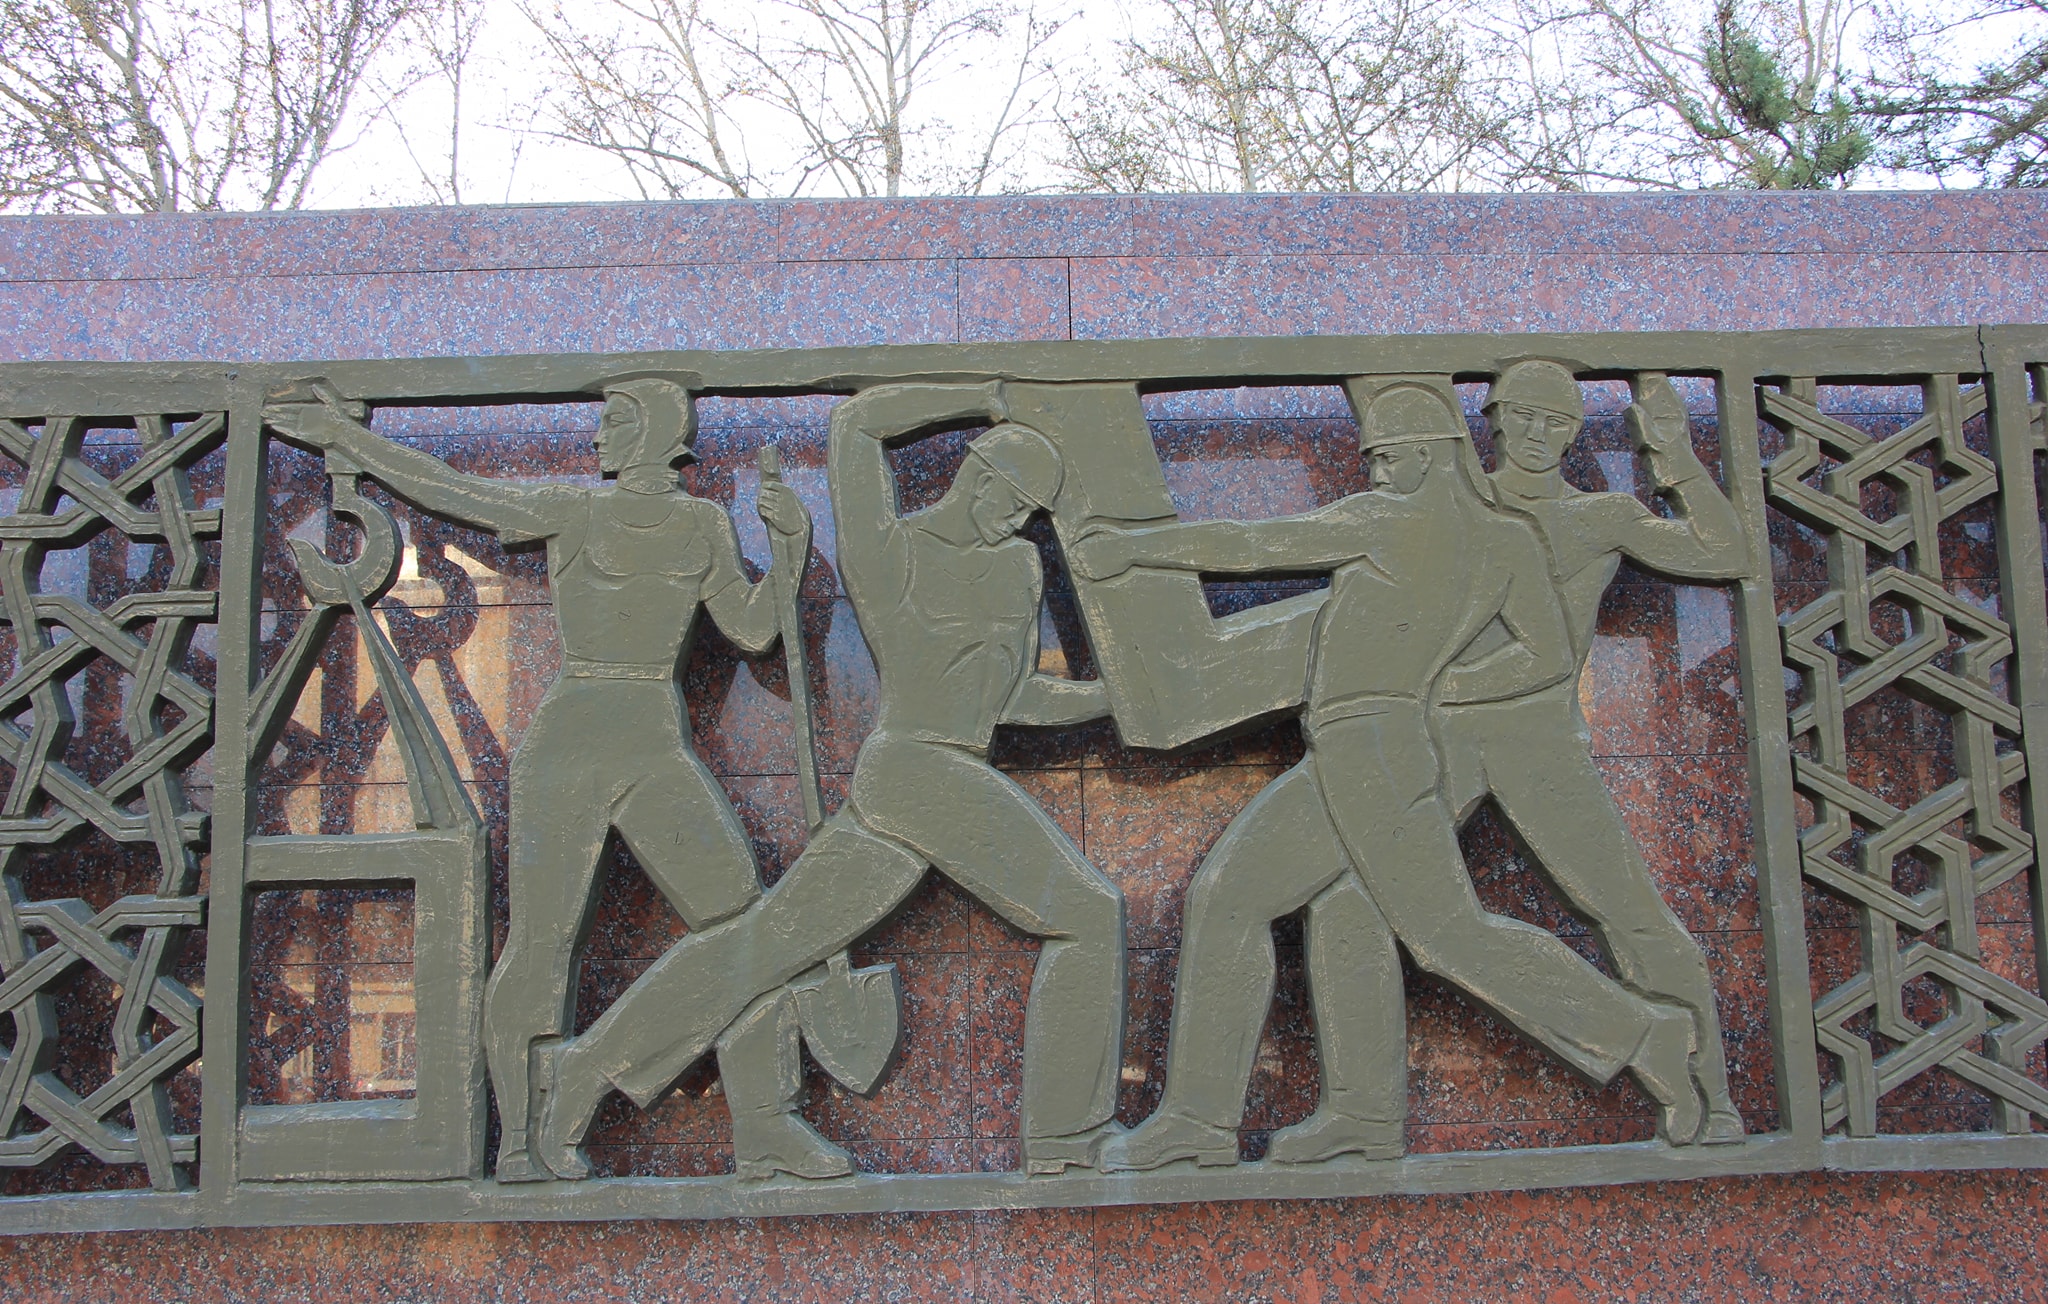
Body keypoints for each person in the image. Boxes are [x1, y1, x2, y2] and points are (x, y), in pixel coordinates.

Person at [1068, 381, 1704, 1172]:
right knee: (1400, 923)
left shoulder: (1387, 520)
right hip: (1394, 743)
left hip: (1362, 749)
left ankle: (1200, 1123)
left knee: (1253, 900)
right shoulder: (1505, 540)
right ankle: (1365, 1116)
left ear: (1430, 455)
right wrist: (1443, 686)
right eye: (1375, 459)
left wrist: (1132, 550)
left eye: (1388, 457)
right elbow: (1545, 656)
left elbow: (1255, 544)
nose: (1376, 471)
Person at [527, 381, 1130, 1180]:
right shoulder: (891, 551)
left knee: (760, 947)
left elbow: (1014, 697)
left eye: (1032, 514)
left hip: (943, 781)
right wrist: (982, 394)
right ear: (976, 475)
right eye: (1015, 502)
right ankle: (1068, 1139)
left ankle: (582, 1071)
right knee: (1088, 913)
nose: (1020, 522)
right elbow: (854, 424)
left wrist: (1110, 697)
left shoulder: (1018, 569)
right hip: (916, 770)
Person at [263, 377, 824, 1182]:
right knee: (542, 944)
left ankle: (764, 1126)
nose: (597, 435)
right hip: (570, 743)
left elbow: (754, 627)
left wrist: (792, 548)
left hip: (652, 743)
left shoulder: (702, 525)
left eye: (615, 420)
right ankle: (524, 1140)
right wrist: (348, 442)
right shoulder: (575, 512)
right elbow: (454, 493)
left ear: (659, 434)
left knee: (745, 918)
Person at [1434, 361, 1748, 1144]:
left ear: (1574, 433)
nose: (1537, 434)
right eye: (1523, 417)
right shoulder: (1453, 506)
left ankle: (1714, 1095)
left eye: (1556, 422)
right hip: (1443, 738)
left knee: (1630, 914)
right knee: (1379, 901)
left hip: (1539, 743)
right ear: (1494, 422)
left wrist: (1673, 453)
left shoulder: (1601, 516)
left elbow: (1724, 552)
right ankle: (1361, 1113)